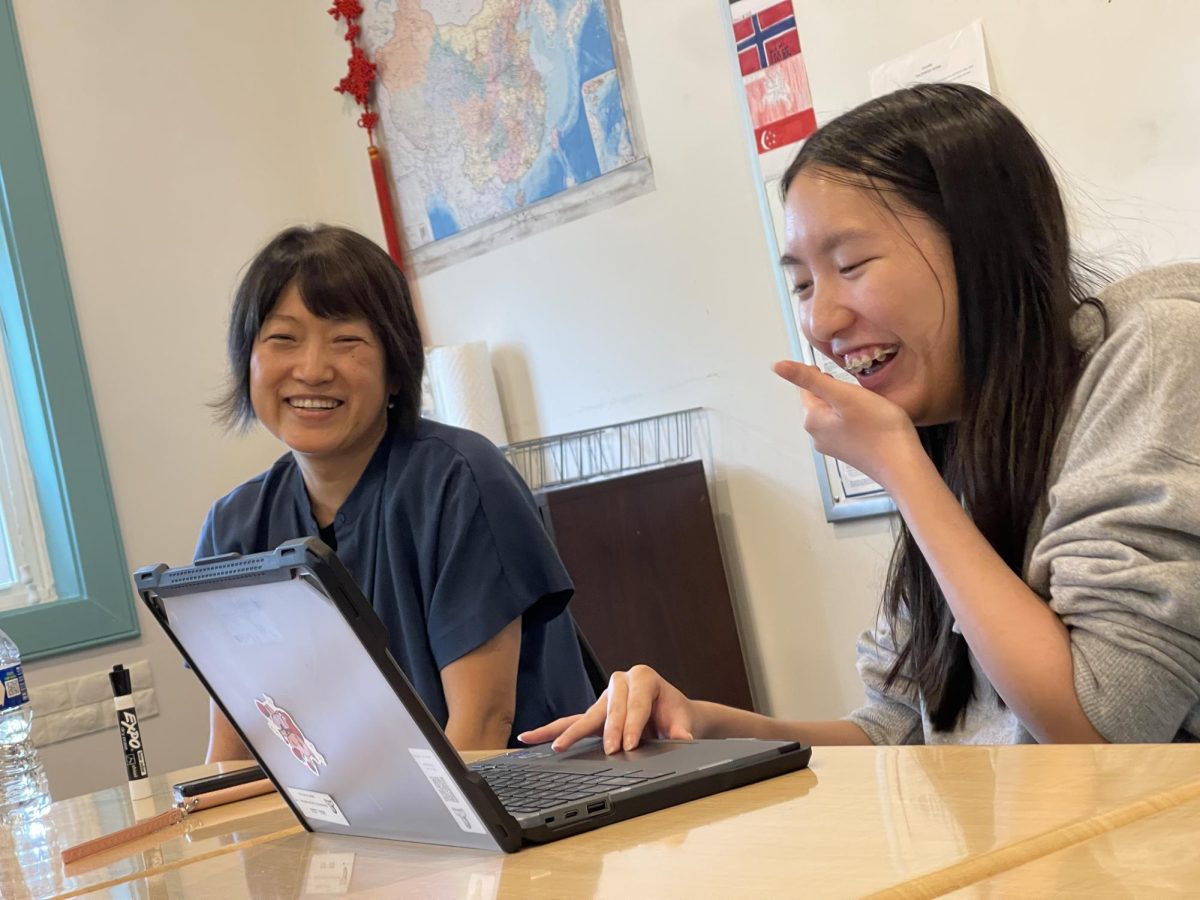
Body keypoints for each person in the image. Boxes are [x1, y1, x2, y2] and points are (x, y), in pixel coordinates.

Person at [521, 83, 1200, 753]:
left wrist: (901, 469)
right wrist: (706, 728)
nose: (821, 321)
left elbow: (1101, 729)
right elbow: (900, 729)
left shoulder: (1156, 350)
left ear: (981, 246)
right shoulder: (951, 421)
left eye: (851, 265)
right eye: (804, 284)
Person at [199, 224, 595, 759]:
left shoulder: (460, 479)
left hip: (526, 804)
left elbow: (482, 725)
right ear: (247, 360)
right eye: (282, 339)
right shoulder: (235, 526)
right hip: (365, 824)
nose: (312, 369)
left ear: (394, 369)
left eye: (347, 340)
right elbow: (236, 749)